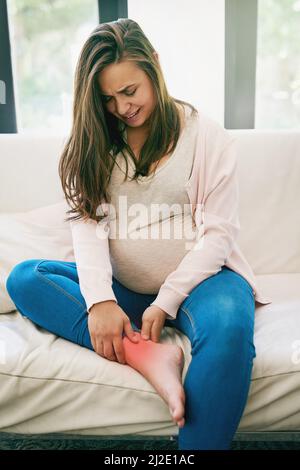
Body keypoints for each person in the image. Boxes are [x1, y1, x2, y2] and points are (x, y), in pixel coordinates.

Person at [6, 18, 272, 450]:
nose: (122, 108)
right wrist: (101, 301)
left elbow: (218, 235)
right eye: (108, 99)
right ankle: (146, 354)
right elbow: (88, 229)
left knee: (230, 329)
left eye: (129, 91)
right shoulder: (96, 144)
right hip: (123, 289)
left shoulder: (206, 137)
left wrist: (166, 303)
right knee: (25, 278)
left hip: (205, 283)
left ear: (155, 68)